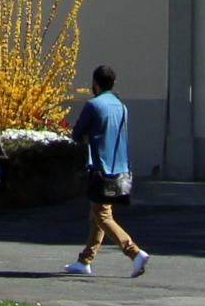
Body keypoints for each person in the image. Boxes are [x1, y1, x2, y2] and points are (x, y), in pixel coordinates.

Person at [64, 64, 150, 279]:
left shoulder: (94, 105)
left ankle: (134, 253)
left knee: (102, 216)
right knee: (98, 214)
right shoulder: (121, 107)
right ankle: (85, 260)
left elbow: (77, 134)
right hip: (119, 167)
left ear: (95, 83)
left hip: (100, 168)